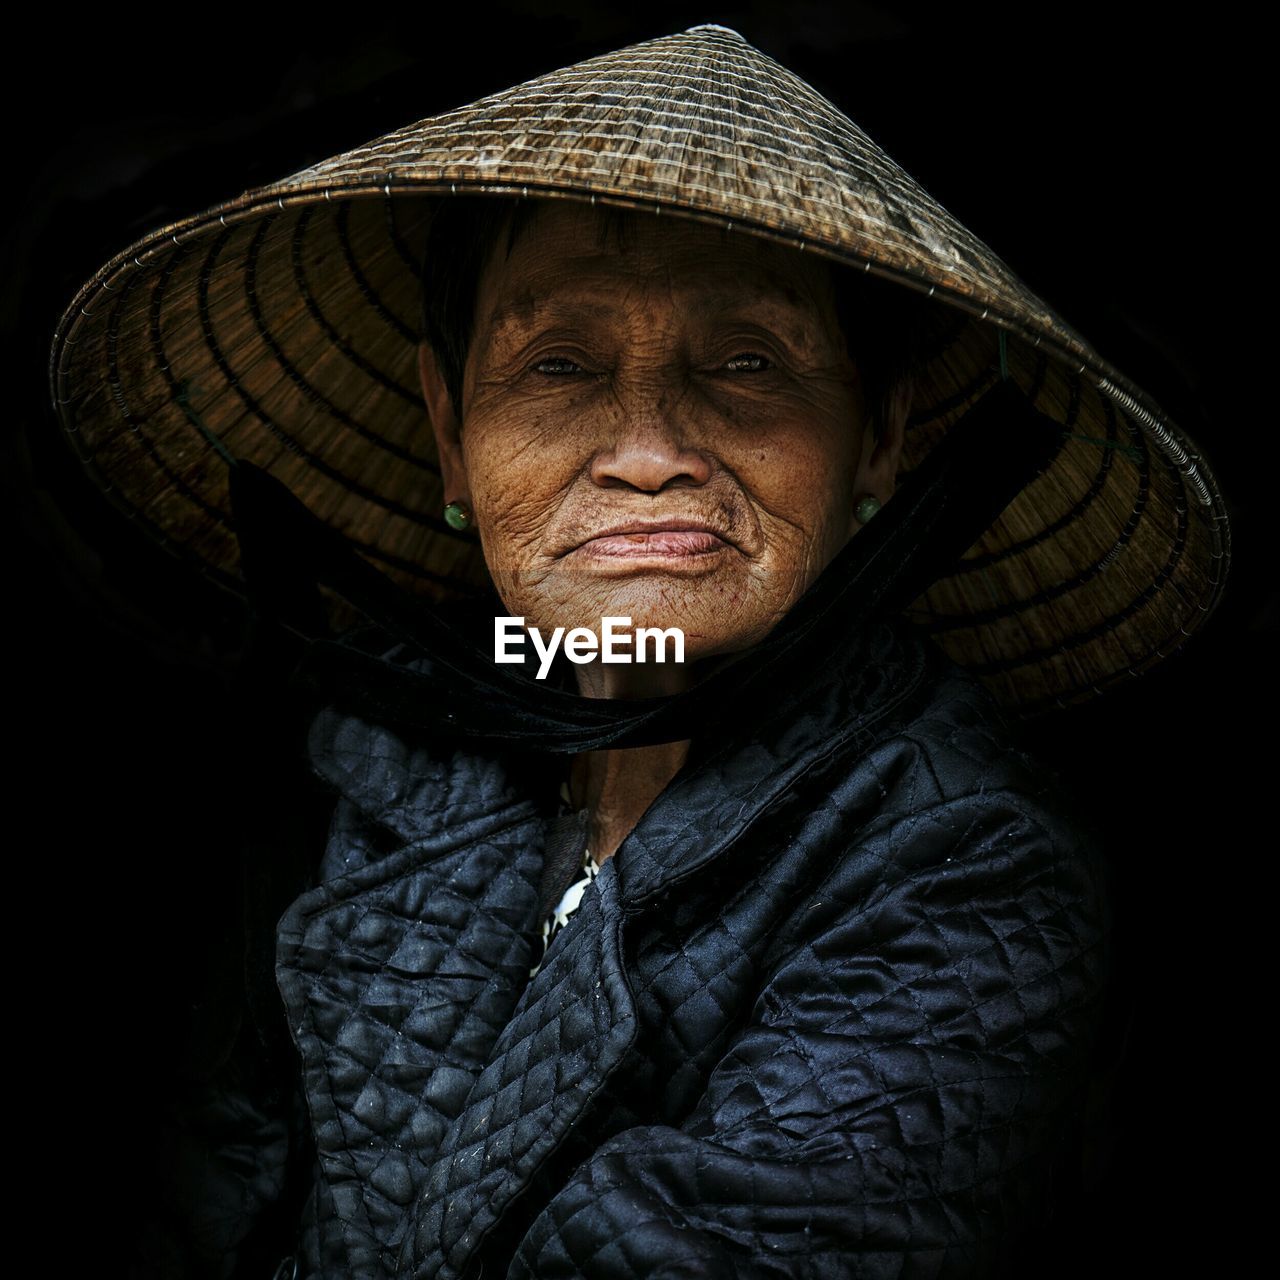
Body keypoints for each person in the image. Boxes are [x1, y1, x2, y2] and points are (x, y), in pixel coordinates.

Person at [48, 24, 1229, 1280]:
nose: (648, 446)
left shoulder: (967, 865)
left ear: (876, 436)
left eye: (747, 361)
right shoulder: (360, 769)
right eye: (558, 363)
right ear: (451, 437)